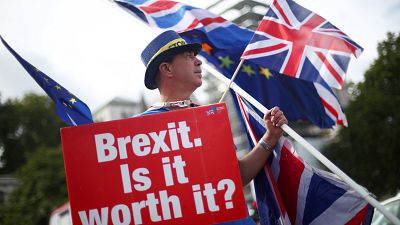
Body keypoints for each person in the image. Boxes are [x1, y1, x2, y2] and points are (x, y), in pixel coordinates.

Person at [139, 30, 288, 225]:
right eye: (188, 56)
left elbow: (237, 175)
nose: (198, 61)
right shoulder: (140, 131)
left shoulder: (208, 117)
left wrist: (270, 137)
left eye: (195, 56)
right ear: (167, 69)